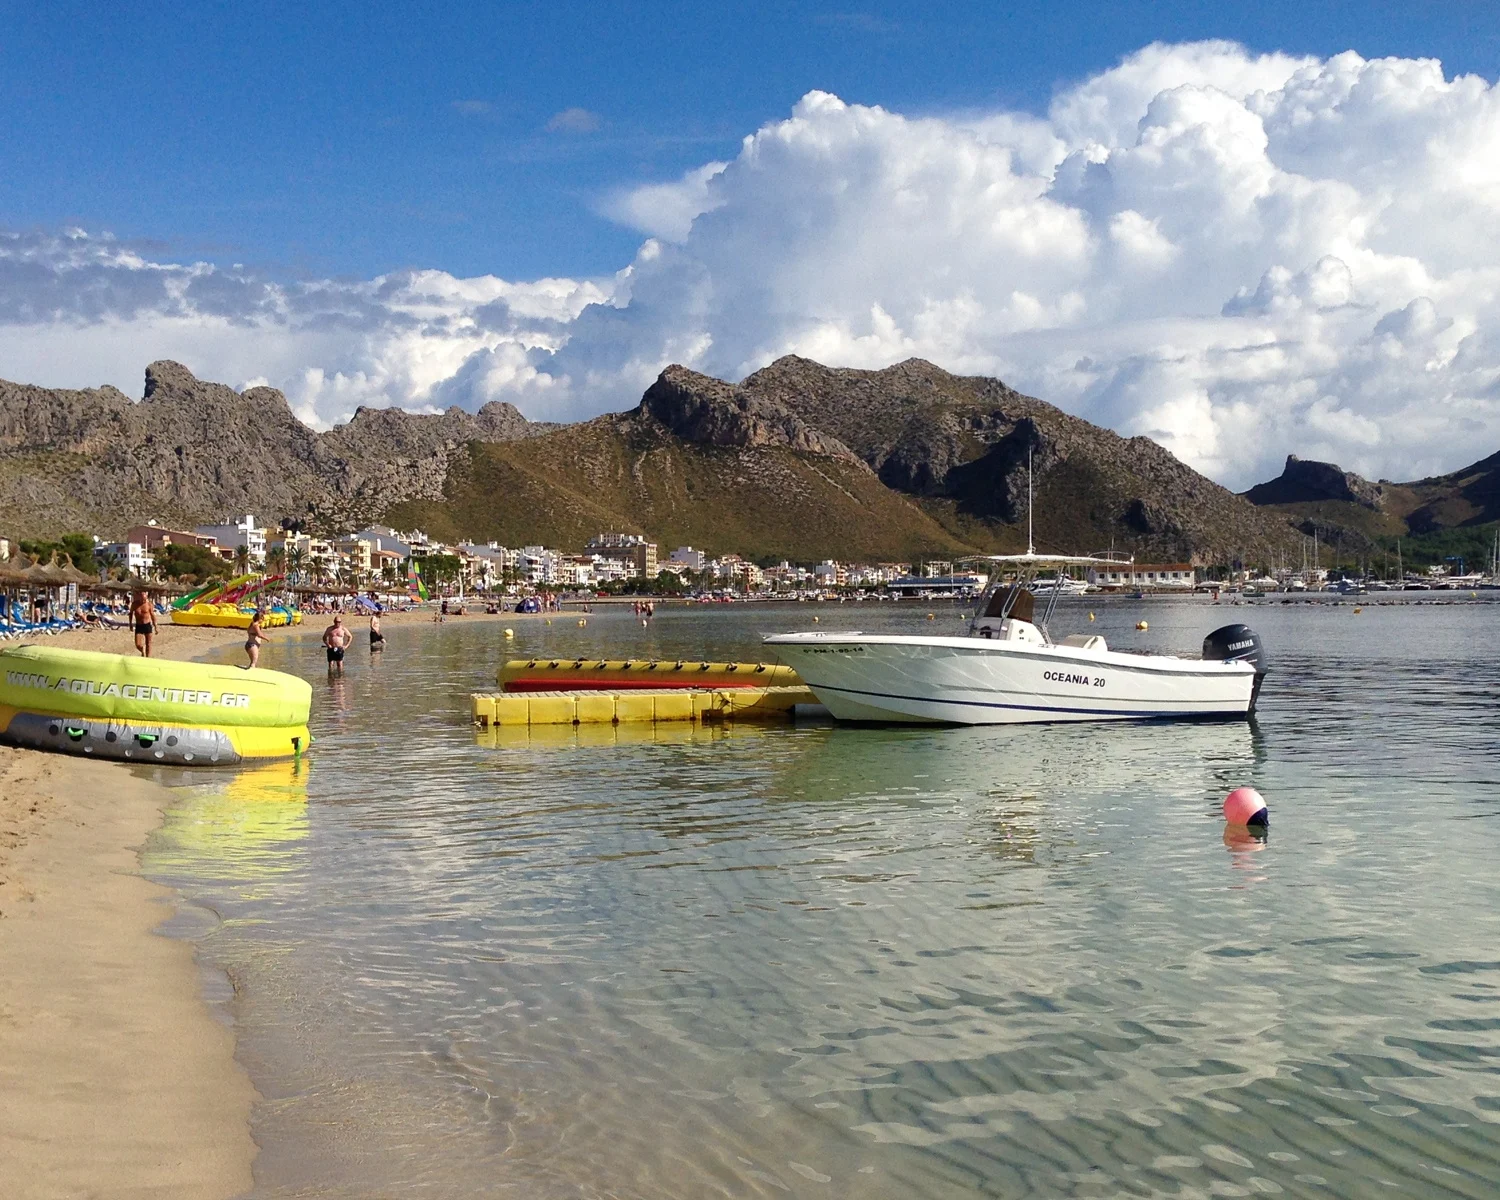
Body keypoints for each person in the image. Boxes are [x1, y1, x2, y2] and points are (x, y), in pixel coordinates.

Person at [130, 589, 156, 657]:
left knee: (148, 643)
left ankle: (148, 658)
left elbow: (153, 615)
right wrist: (130, 624)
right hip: (139, 625)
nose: (143, 601)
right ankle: (142, 651)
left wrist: (156, 627)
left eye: (145, 599)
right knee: (138, 644)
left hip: (147, 625)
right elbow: (130, 614)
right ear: (139, 598)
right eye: (142, 599)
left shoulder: (149, 604)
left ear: (146, 598)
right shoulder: (134, 604)